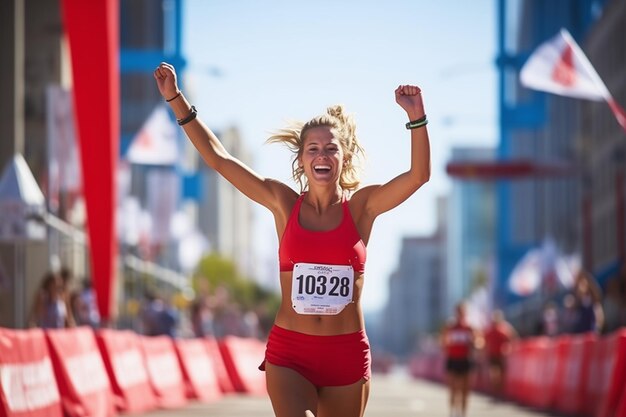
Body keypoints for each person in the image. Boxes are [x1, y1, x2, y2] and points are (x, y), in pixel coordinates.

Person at [154, 62, 430, 417]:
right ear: (301, 161)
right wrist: (175, 98)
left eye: (331, 149)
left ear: (343, 159)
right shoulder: (283, 203)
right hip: (291, 353)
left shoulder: (363, 207)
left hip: (345, 356)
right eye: (312, 149)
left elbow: (419, 175)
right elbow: (219, 160)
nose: (322, 155)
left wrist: (417, 118)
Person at [441, 303, 478, 417]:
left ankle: (463, 414)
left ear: (465, 313)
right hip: (453, 360)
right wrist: (447, 345)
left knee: (465, 390)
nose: (460, 314)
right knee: (453, 389)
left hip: (465, 360)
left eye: (462, 311)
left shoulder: (470, 327)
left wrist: (475, 344)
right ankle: (452, 412)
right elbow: (443, 342)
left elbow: (478, 341)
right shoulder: (450, 327)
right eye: (458, 311)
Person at [483, 309, 518, 398]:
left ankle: (499, 391)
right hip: (492, 355)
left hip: (501, 355)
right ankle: (495, 390)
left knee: (501, 374)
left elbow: (512, 338)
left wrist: (508, 347)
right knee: (494, 374)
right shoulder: (489, 330)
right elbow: (485, 341)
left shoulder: (505, 329)